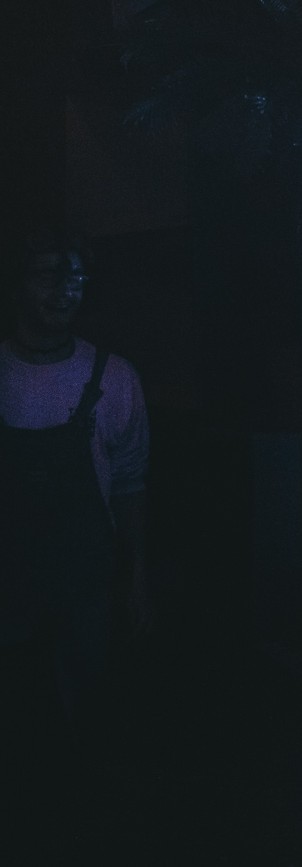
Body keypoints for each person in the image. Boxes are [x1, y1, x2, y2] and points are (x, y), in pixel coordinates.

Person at [0, 234, 151, 729]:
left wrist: (135, 576)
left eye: (76, 277)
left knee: (84, 723)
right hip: (7, 585)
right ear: (17, 283)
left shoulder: (114, 377)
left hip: (86, 587)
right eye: (48, 275)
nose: (65, 289)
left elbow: (130, 484)